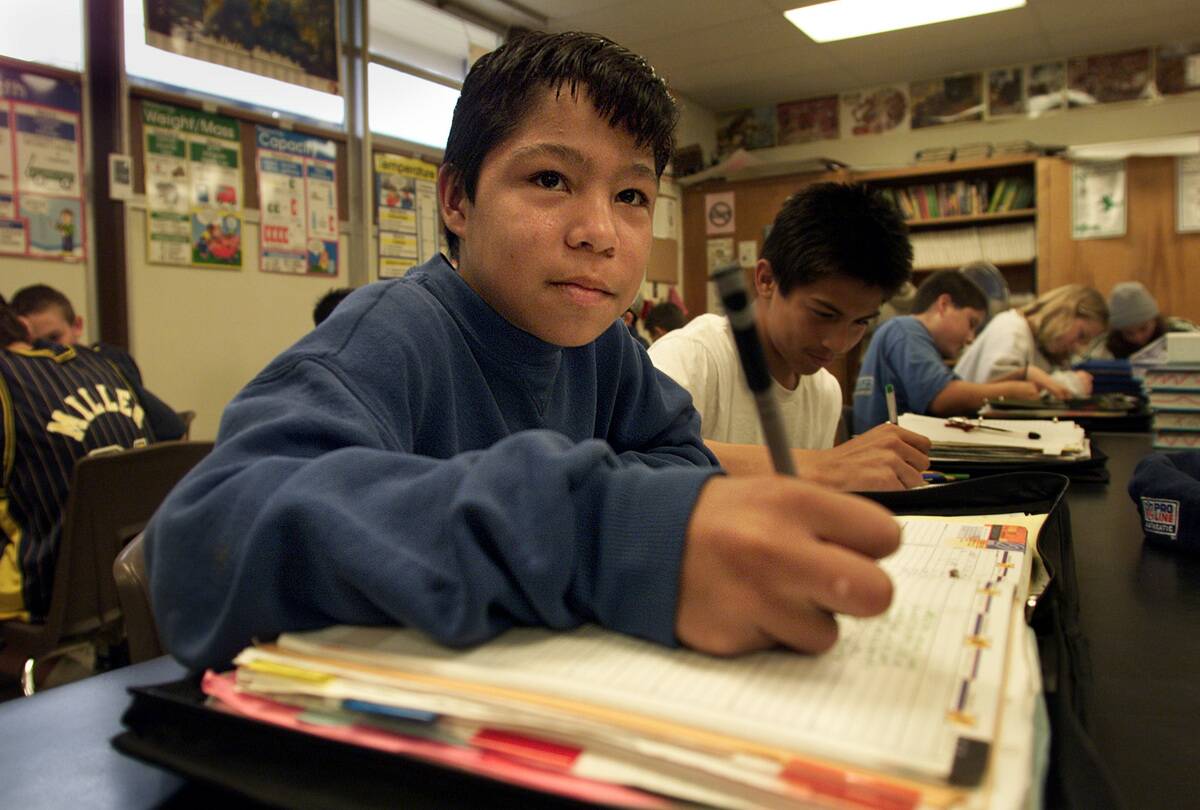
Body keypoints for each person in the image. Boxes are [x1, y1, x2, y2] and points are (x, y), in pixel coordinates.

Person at [144, 31, 901, 673]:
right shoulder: (390, 333)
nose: (599, 233)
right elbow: (203, 540)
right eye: (549, 179)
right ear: (456, 200)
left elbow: (679, 458)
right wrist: (600, 535)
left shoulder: (603, 347)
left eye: (632, 197)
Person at [648, 182, 931, 491]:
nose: (838, 344)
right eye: (824, 314)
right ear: (766, 280)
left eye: (860, 322)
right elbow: (640, 459)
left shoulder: (825, 392)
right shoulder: (691, 357)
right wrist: (827, 466)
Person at [0, 295, 154, 622]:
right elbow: (172, 431)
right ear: (23, 326)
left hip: (45, 588)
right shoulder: (103, 363)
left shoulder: (6, 381)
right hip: (138, 574)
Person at [853, 271, 1042, 433]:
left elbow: (959, 393)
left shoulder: (906, 334)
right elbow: (943, 398)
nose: (970, 338)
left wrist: (1018, 375)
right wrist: (1012, 391)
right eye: (971, 323)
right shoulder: (906, 331)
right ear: (944, 304)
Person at [10, 284, 185, 441]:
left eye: (54, 338)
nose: (47, 350)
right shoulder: (23, 381)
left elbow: (172, 428)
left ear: (77, 326)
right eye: (33, 345)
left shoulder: (107, 361)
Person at [954, 283, 1108, 399]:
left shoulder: (1042, 349)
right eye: (1081, 335)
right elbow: (994, 393)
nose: (1078, 348)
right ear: (1065, 312)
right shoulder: (1011, 328)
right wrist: (1068, 384)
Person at [1085, 281, 1197, 359]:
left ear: (1155, 320)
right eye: (1129, 333)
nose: (1138, 337)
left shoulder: (1182, 332)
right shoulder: (1105, 347)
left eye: (1143, 329)